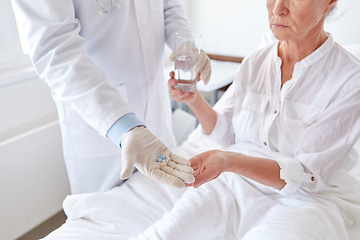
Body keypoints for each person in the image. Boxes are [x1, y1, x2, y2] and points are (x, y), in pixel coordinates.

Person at [129, 0, 360, 238]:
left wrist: (229, 161)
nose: (278, 8)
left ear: (329, 3)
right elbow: (227, 133)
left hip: (306, 200)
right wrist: (193, 99)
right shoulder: (255, 63)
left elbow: (308, 175)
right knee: (163, 234)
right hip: (235, 183)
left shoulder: (349, 80)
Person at [10, 0, 211, 194]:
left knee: (166, 203)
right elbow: (56, 49)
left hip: (156, 114)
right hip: (100, 121)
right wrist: (122, 125)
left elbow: (168, 6)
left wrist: (185, 45)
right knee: (109, 220)